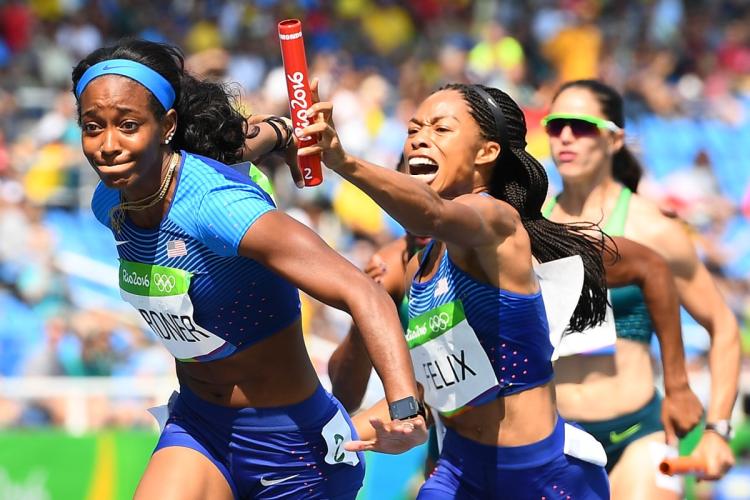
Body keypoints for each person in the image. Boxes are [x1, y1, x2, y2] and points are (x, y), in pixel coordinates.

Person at [72, 39, 427, 500]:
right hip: (199, 427)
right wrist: (281, 132)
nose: (108, 146)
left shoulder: (219, 206)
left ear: (167, 126)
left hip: (291, 447)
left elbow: (365, 292)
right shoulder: (109, 202)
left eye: (128, 125)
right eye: (92, 127)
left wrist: (404, 410)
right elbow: (220, 152)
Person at [303, 81, 611, 498]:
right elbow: (436, 389)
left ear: (486, 153)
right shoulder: (416, 262)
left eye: (440, 129)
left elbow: (434, 214)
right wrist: (324, 443)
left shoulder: (497, 222)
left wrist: (343, 162)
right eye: (413, 131)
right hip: (458, 471)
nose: (419, 141)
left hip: (543, 477)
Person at [542, 79, 740, 496]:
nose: (565, 137)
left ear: (614, 139)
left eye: (581, 125)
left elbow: (723, 327)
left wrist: (717, 429)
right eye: (556, 125)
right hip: (553, 439)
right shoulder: (528, 225)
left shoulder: (654, 229)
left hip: (639, 435)